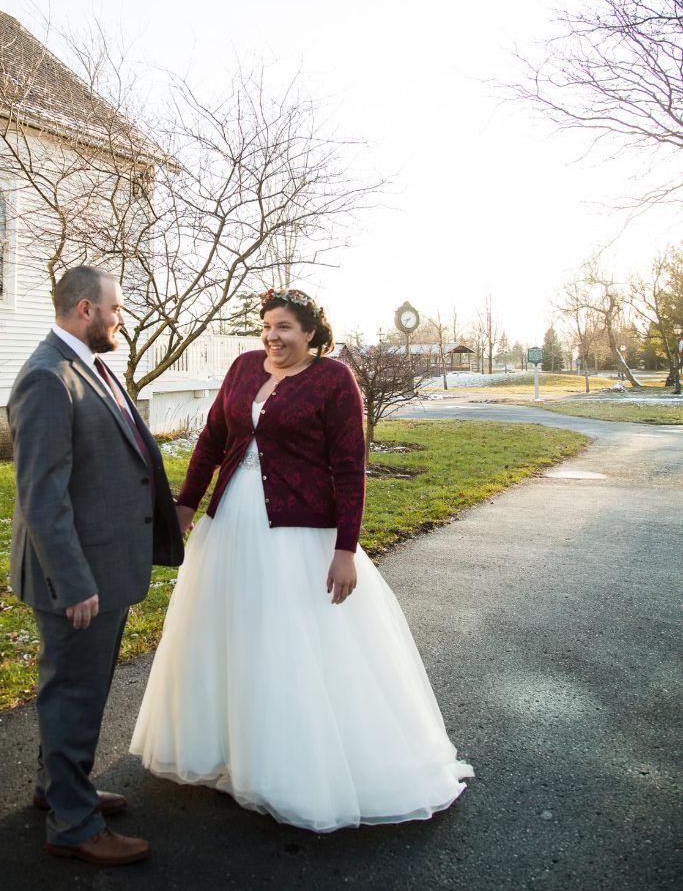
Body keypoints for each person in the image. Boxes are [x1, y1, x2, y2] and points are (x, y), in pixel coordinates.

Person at [130, 288, 472, 832]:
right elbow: (212, 440)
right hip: (231, 524)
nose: (273, 336)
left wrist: (345, 549)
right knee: (227, 634)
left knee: (287, 643)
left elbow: (349, 466)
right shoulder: (244, 368)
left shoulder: (334, 380)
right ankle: (227, 749)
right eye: (267, 326)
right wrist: (186, 507)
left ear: (311, 332)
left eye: (285, 327)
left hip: (299, 531)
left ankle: (288, 765)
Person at [8, 266, 183, 866]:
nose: (122, 319)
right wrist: (73, 582)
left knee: (78, 690)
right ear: (86, 309)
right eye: (117, 308)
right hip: (77, 577)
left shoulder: (86, 365)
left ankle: (58, 789)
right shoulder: (48, 377)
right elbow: (42, 496)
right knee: (74, 695)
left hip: (102, 566)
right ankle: (74, 824)